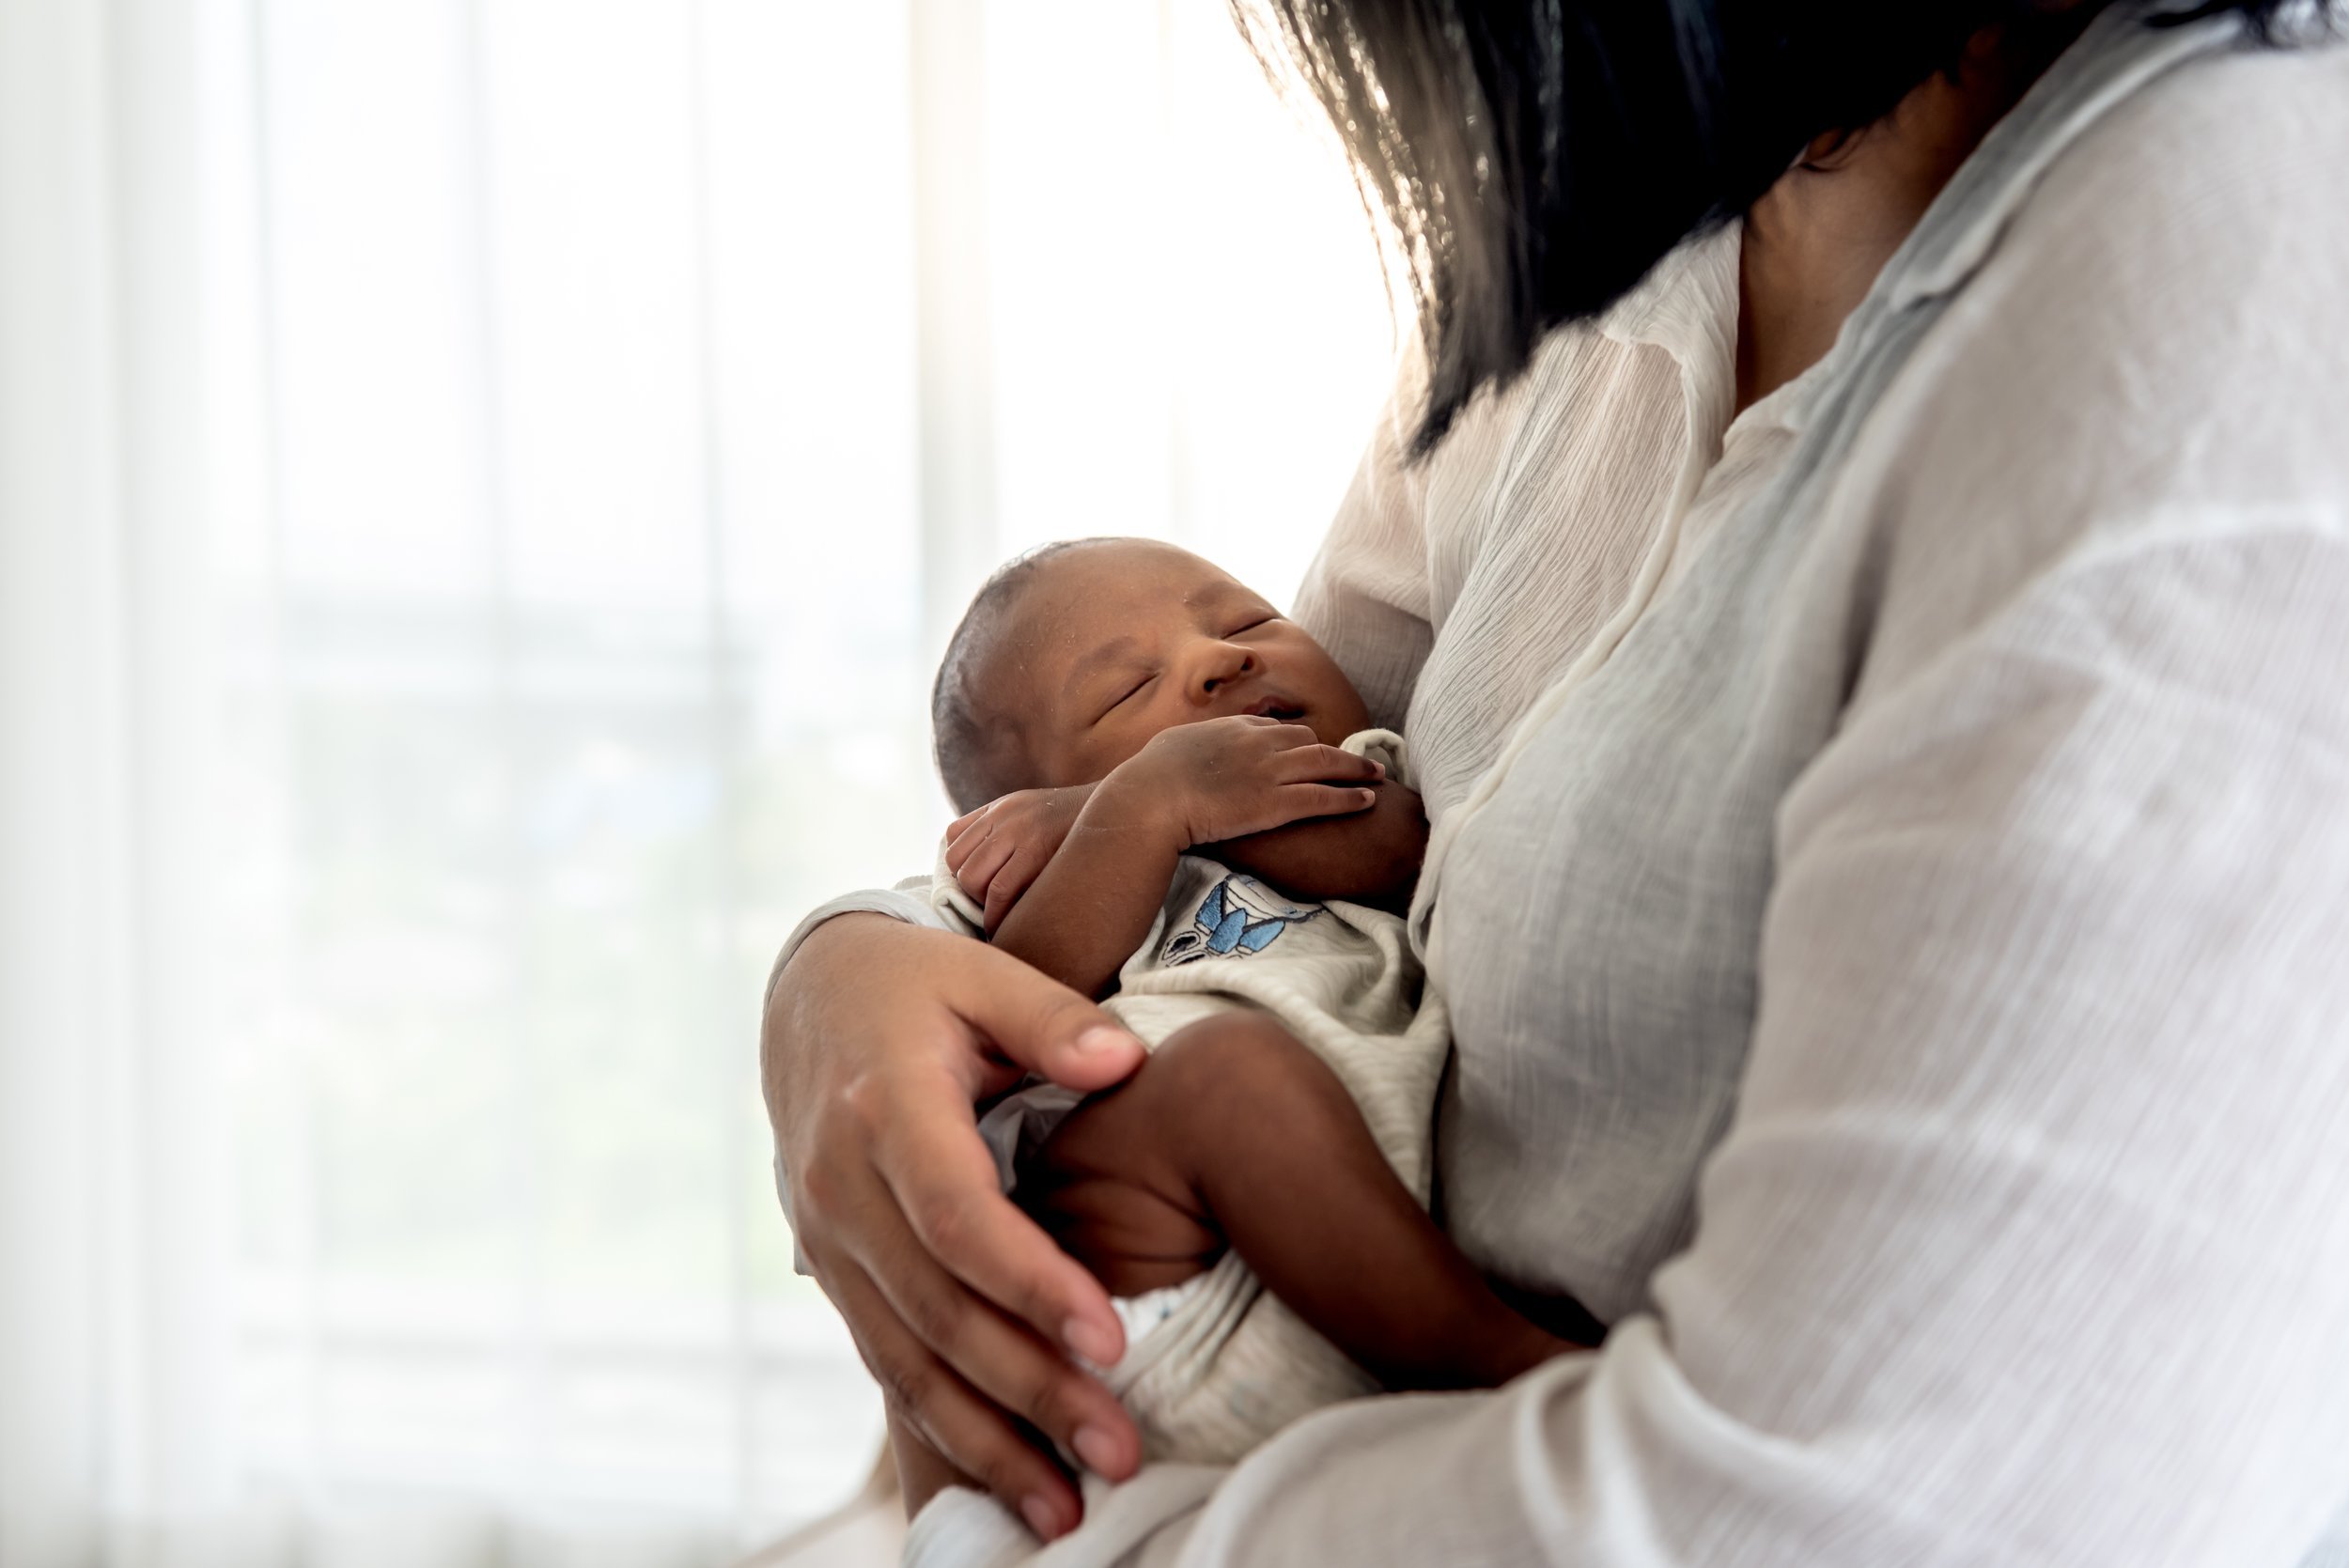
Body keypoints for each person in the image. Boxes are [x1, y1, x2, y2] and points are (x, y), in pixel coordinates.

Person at [763, 2, 2349, 1563]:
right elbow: (1223, 763)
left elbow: (1854, 1514)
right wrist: (854, 960)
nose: (1226, 655)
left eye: (1225, 625)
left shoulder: (2222, 291)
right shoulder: (1604, 233)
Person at [881, 536, 1583, 1506]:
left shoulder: (1355, 772)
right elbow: (1017, 1001)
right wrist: (1133, 812)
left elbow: (1391, 850)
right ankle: (1509, 1367)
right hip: (1144, 1263)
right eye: (1128, 693)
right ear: (1023, 801)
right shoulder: (1037, 869)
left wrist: (1158, 792)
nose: (1221, 658)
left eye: (1247, 622)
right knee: (1223, 1075)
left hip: (1330, 1309)